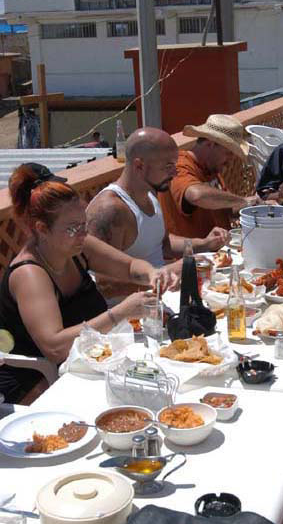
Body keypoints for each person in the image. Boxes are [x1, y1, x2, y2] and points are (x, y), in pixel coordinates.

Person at [0, 163, 176, 404]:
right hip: (41, 384)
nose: (83, 233)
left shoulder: (78, 245)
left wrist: (152, 275)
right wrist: (122, 312)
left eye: (83, 224)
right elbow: (55, 347)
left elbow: (129, 267)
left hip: (90, 364)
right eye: (73, 228)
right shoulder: (30, 274)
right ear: (42, 229)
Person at [87, 127, 228, 301]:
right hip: (128, 318)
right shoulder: (111, 209)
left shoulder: (150, 192)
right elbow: (105, 286)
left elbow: (162, 243)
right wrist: (169, 274)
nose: (174, 173)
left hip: (161, 300)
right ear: (139, 165)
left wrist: (204, 244)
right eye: (168, 166)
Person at [159, 114, 263, 239]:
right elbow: (197, 195)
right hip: (193, 254)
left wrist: (256, 205)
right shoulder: (180, 166)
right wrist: (242, 201)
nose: (230, 161)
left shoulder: (211, 168)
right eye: (228, 153)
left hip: (219, 250)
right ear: (210, 144)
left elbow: (226, 208)